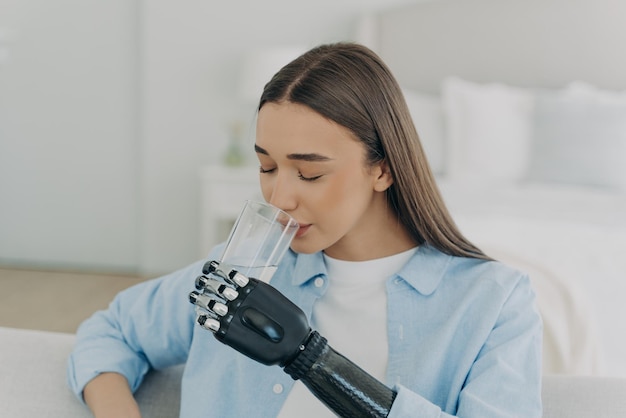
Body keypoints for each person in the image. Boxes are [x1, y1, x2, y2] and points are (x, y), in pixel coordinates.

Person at [67, 42, 543, 417]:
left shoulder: (492, 303)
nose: (279, 199)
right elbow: (111, 331)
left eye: (310, 173)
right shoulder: (239, 276)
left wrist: (310, 359)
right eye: (266, 166)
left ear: (382, 169)